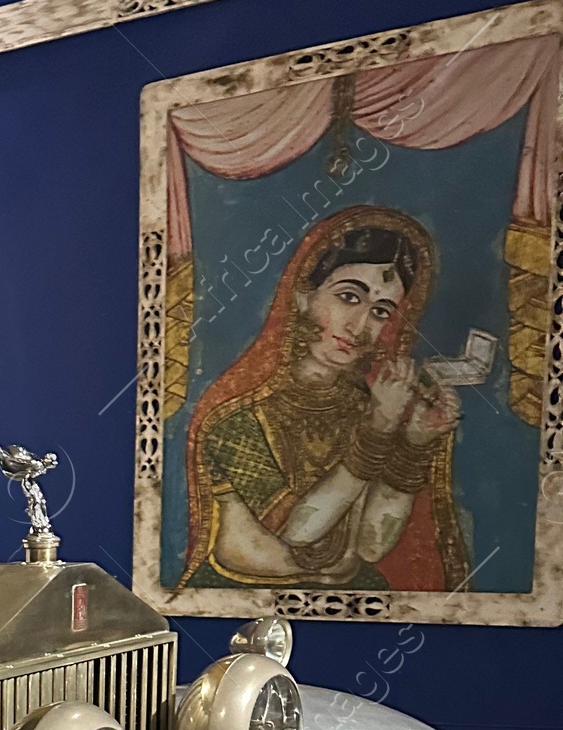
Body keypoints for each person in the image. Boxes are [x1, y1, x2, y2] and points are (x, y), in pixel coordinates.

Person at [178, 206, 469, 591]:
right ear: (302, 295)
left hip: (347, 596)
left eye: (380, 311)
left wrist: (414, 442)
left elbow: (372, 545)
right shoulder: (237, 417)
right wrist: (378, 430)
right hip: (242, 600)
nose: (360, 326)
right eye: (349, 297)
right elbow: (299, 532)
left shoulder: (367, 406)